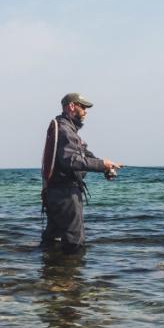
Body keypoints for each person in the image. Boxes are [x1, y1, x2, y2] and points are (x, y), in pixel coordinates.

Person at [41, 93, 121, 253]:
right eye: (83, 107)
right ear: (72, 106)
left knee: (53, 239)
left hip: (55, 193)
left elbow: (85, 154)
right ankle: (71, 276)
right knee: (74, 242)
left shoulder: (65, 128)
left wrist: (105, 166)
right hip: (66, 195)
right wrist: (101, 164)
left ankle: (51, 274)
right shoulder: (65, 130)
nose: (86, 111)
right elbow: (71, 160)